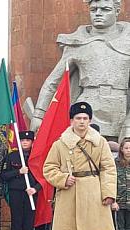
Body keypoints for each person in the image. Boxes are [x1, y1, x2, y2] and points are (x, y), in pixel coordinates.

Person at [31, 0, 130, 143]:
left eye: (105, 9)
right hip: (86, 108)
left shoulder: (127, 42)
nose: (98, 14)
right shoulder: (77, 42)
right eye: (94, 9)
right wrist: (39, 115)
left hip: (119, 109)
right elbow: (52, 82)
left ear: (117, 11)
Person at [43, 102, 117, 230]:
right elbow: (49, 167)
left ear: (90, 120)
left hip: (92, 192)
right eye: (78, 118)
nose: (82, 122)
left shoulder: (99, 142)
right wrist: (62, 178)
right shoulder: (60, 144)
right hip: (69, 192)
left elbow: (108, 168)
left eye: (85, 118)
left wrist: (108, 192)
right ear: (71, 120)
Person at [1, 131, 41, 230]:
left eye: (28, 140)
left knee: (29, 223)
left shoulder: (36, 157)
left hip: (31, 193)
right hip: (16, 192)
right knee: (17, 222)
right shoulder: (12, 156)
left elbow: (42, 177)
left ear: (32, 142)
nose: (25, 142)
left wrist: (35, 189)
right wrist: (18, 171)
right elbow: (4, 175)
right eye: (22, 140)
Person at [113, 139, 130, 230]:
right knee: (120, 229)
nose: (128, 151)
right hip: (119, 202)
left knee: (129, 229)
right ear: (121, 150)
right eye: (126, 148)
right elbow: (111, 183)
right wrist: (113, 200)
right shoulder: (115, 164)